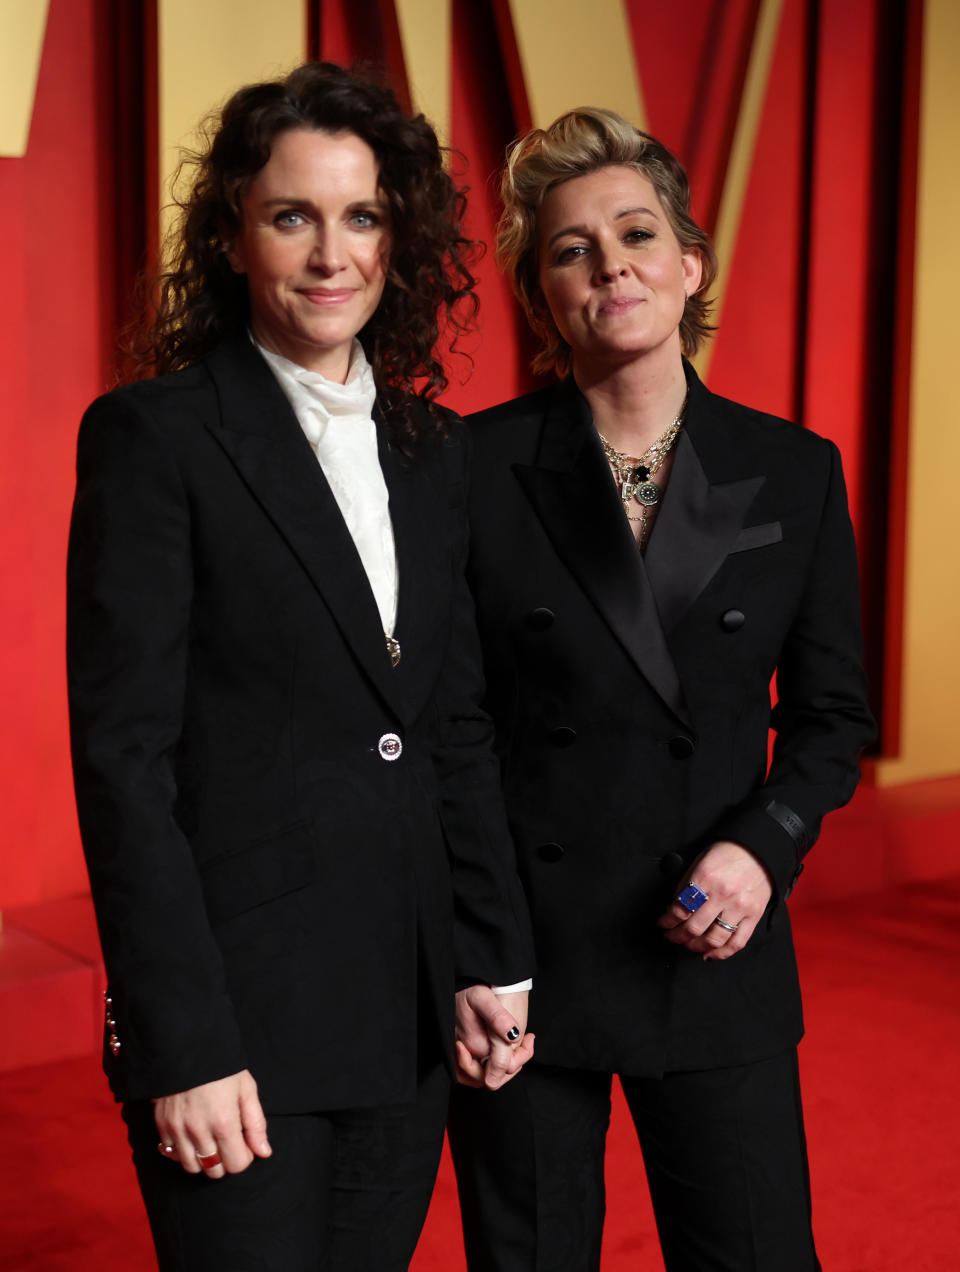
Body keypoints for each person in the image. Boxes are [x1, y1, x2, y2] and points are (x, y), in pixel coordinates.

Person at [67, 62, 535, 1272]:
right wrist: (182, 1042)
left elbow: (453, 723)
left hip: (407, 1012)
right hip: (241, 1020)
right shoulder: (155, 437)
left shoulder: (435, 452)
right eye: (292, 216)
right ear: (231, 237)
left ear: (402, 237)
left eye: (363, 216)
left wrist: (487, 954)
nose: (333, 255)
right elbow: (125, 763)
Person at [447, 108, 875, 1271]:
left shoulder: (792, 467)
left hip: (711, 946)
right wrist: (480, 948)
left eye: (636, 233)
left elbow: (836, 718)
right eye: (571, 249)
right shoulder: (471, 469)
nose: (610, 264)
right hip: (527, 962)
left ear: (691, 265)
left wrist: (763, 846)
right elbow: (452, 725)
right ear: (544, 297)